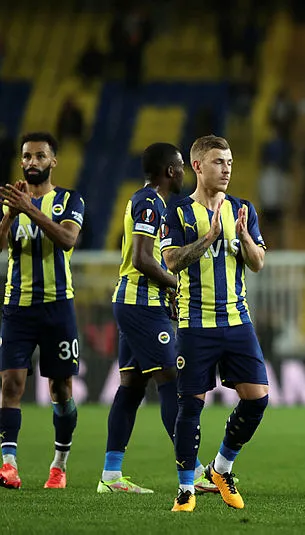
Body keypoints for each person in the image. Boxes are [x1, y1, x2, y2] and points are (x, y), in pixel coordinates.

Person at [96, 142, 215, 494]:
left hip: (139, 303)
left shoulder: (155, 202)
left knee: (131, 388)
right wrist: (173, 283)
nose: (184, 172)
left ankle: (111, 475)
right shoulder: (149, 202)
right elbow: (142, 259)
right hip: (140, 304)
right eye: (181, 166)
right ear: (171, 171)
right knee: (173, 383)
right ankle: (192, 468)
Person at [161, 135, 269, 512]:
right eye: (218, 161)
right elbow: (171, 261)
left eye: (229, 162)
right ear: (197, 166)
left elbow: (257, 263)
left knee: (258, 399)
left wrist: (242, 238)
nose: (226, 168)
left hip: (238, 320)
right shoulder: (176, 212)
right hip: (195, 324)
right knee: (190, 405)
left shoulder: (242, 209)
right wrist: (208, 238)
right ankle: (186, 489)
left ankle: (220, 468)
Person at [0, 132, 84, 489]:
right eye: (27, 156)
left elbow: (66, 240)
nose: (32, 162)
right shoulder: (9, 202)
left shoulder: (69, 199)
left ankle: (59, 465)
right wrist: (10, 215)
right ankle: (8, 465)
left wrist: (30, 211)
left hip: (57, 306)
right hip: (17, 306)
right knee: (11, 383)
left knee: (61, 390)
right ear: (21, 162)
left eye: (40, 156)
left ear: (53, 161)